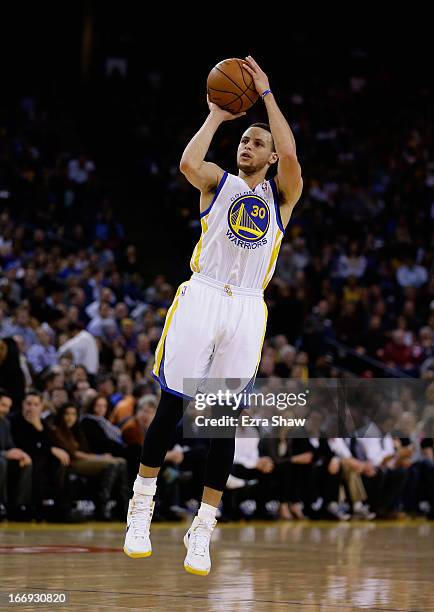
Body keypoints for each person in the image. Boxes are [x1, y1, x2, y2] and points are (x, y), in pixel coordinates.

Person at [123, 55, 303, 575]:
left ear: (270, 158)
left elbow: (291, 151)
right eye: (244, 141)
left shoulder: (281, 198)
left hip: (247, 306)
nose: (248, 147)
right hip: (202, 296)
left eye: (257, 143)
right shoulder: (217, 184)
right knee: (171, 407)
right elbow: (186, 162)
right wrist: (217, 115)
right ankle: (141, 506)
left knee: (222, 422)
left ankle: (202, 528)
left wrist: (266, 95)